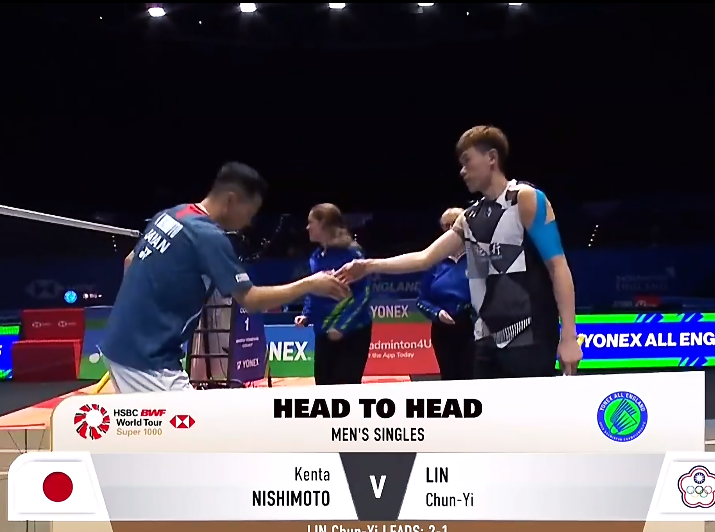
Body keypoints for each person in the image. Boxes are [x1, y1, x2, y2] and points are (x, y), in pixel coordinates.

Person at [336, 125, 582, 377]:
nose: (462, 171)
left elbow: (558, 266)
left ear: (491, 157)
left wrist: (569, 337)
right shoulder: (469, 218)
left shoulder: (525, 199)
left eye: (467, 161)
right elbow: (425, 258)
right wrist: (369, 266)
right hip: (485, 341)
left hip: (530, 337)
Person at [101, 162, 349, 393]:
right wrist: (309, 284)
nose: (249, 222)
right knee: (195, 426)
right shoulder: (208, 236)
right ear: (232, 200)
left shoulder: (171, 215)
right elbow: (250, 300)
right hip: (148, 362)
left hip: (117, 345)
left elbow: (130, 261)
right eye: (250, 212)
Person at [294, 204, 373, 385]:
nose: (307, 227)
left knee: (345, 388)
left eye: (311, 222)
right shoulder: (316, 256)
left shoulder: (352, 254)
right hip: (323, 332)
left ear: (323, 224)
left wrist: (341, 327)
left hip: (353, 332)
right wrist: (306, 314)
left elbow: (364, 294)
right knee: (323, 385)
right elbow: (314, 289)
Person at [416, 208, 473, 380]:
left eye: (454, 224)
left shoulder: (477, 257)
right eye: (446, 226)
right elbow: (421, 300)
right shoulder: (434, 262)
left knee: (472, 375)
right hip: (442, 328)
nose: (450, 229)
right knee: (449, 376)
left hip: (472, 327)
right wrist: (437, 313)